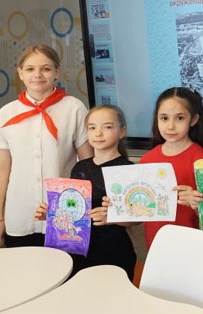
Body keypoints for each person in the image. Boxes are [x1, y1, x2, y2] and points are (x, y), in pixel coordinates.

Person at [0, 44, 93, 248]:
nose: (38, 75)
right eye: (30, 69)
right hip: (19, 215)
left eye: (46, 68)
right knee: (22, 267)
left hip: (64, 216)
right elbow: (0, 169)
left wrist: (84, 214)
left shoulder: (74, 108)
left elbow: (88, 166)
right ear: (20, 73)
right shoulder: (6, 113)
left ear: (56, 72)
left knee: (64, 266)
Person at [34, 105, 137, 280]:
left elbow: (138, 218)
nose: (98, 133)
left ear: (122, 132)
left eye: (107, 127)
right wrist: (52, 214)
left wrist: (113, 217)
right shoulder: (80, 167)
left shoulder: (127, 170)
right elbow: (72, 207)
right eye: (92, 128)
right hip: (78, 250)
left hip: (112, 250)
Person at [139, 87, 203, 248]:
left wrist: (196, 203)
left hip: (192, 246)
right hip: (156, 245)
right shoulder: (147, 159)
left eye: (179, 118)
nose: (170, 126)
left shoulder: (201, 160)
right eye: (164, 118)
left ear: (193, 120)